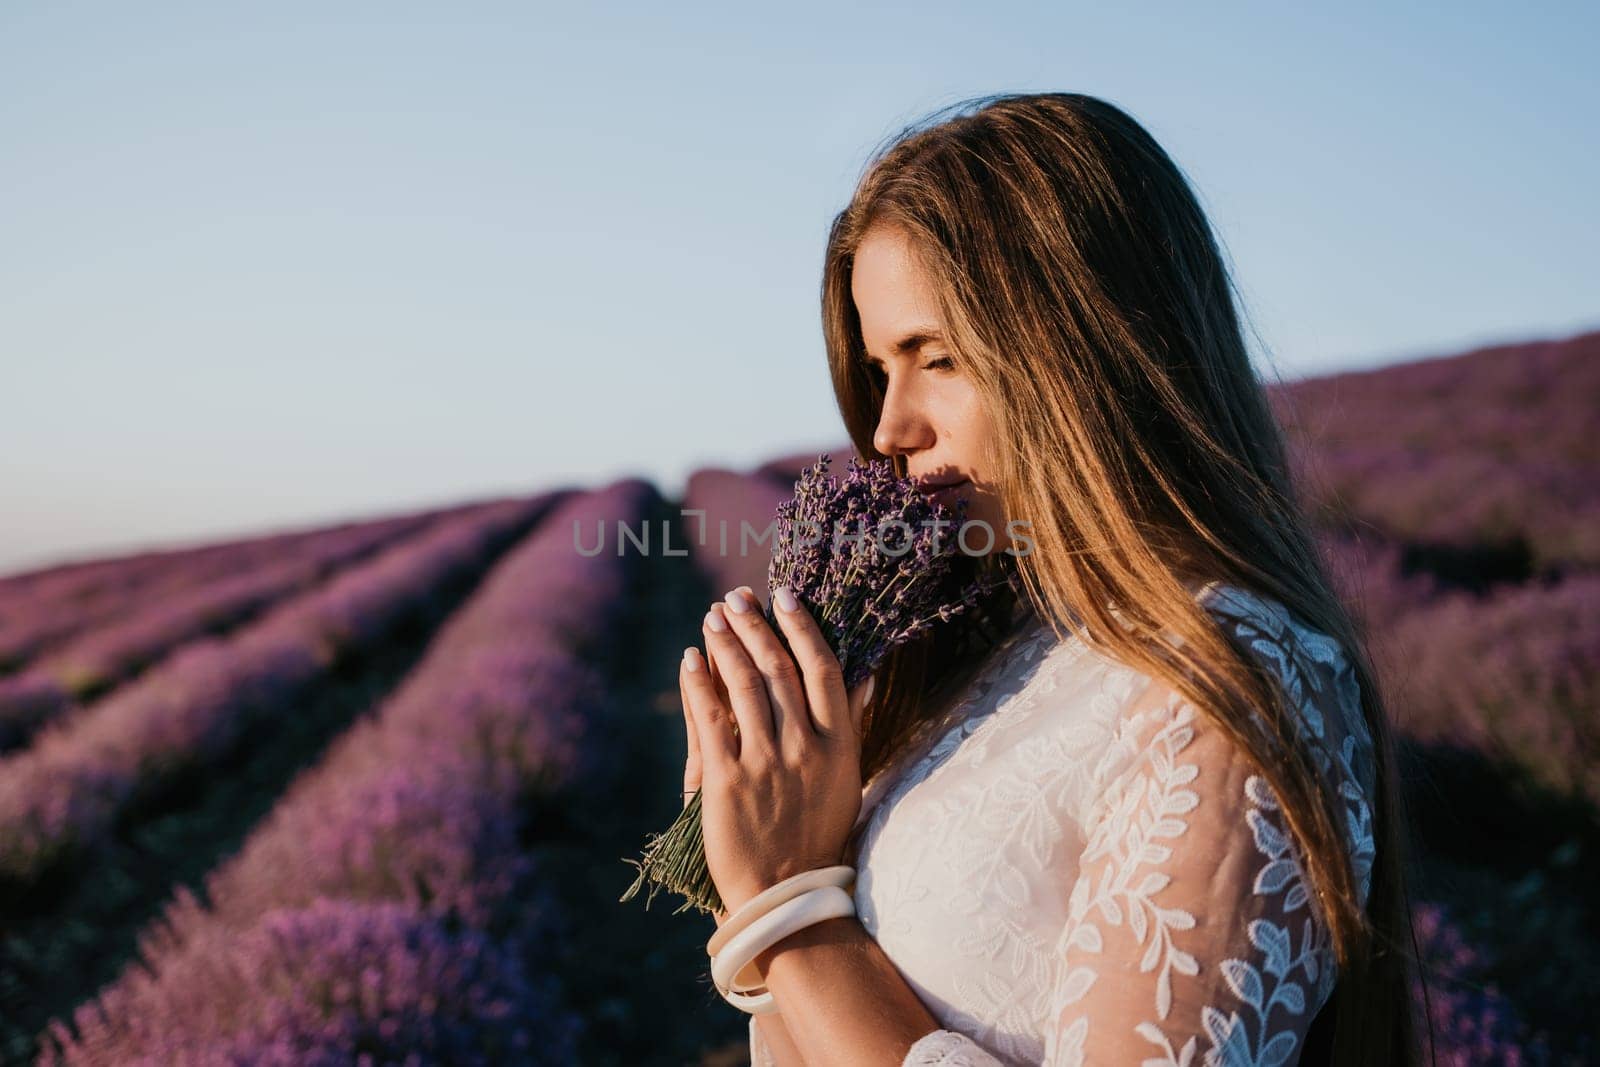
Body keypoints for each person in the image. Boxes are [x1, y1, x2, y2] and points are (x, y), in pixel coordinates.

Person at [677, 92, 1419, 1065]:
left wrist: (792, 911)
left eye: (933, 357)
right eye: (878, 368)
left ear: (1088, 347)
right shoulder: (984, 657)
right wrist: (763, 860)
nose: (891, 429)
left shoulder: (1238, 685)